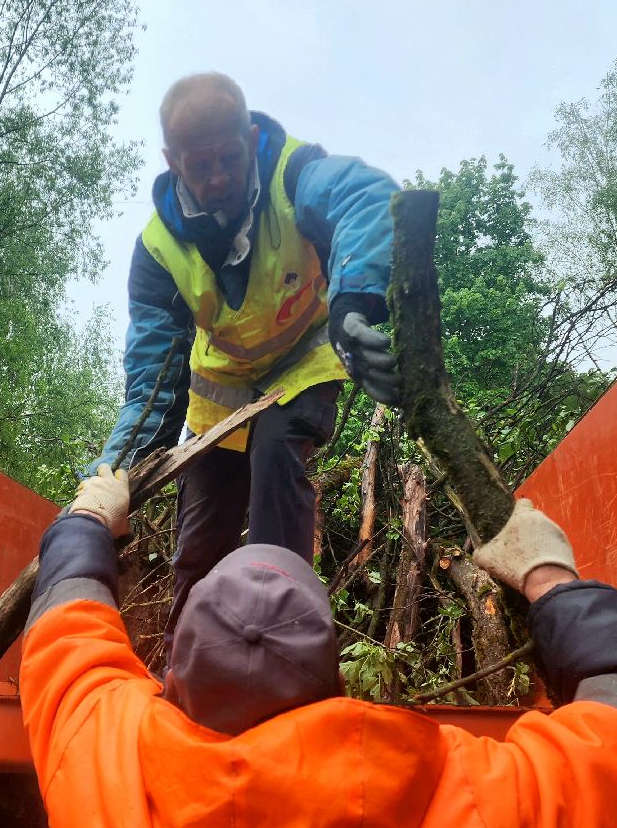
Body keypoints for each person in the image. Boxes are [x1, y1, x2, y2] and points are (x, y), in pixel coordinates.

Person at [20, 466, 617, 828]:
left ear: (168, 673)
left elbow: (68, 616)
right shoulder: (480, 825)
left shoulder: (96, 757)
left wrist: (88, 517)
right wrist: (551, 580)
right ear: (334, 682)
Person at [90, 72, 402, 624]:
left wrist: (355, 303)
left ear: (251, 135)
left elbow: (367, 197)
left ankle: (284, 635)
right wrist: (113, 474)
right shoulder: (159, 250)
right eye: (200, 165)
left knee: (277, 459)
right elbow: (152, 380)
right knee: (202, 535)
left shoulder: (295, 174)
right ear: (172, 159)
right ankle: (188, 658)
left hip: (301, 366)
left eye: (230, 158)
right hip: (220, 394)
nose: (219, 178)